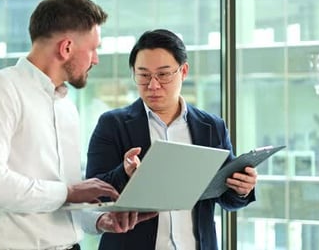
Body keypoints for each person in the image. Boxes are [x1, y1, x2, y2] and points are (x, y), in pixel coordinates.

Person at [0, 0, 156, 250]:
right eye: (93, 49)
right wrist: (67, 192)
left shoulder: (66, 106)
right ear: (66, 48)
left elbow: (65, 197)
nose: (96, 59)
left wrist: (99, 220)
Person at [86, 29, 258, 250]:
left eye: (164, 74)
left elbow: (225, 198)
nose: (153, 85)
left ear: (183, 71)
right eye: (144, 75)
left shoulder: (212, 127)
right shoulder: (113, 124)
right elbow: (92, 196)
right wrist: (124, 173)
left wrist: (242, 188)